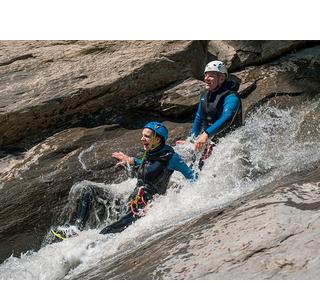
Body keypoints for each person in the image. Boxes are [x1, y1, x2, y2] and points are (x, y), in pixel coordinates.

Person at [51, 122, 196, 239]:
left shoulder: (171, 157)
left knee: (105, 233)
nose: (142, 138)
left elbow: (192, 177)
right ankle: (77, 228)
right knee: (86, 189)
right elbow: (149, 165)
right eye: (142, 135)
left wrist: (185, 201)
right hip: (131, 200)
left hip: (143, 208)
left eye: (146, 136)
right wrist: (131, 160)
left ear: (157, 139)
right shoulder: (150, 152)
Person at [177, 60, 243, 169]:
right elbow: (199, 118)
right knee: (195, 168)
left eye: (211, 76)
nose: (206, 79)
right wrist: (191, 140)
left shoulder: (231, 97)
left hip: (230, 141)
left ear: (221, 78)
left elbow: (228, 117)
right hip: (210, 140)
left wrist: (206, 134)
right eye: (205, 75)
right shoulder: (205, 96)